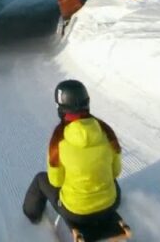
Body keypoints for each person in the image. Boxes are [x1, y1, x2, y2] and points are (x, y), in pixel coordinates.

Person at [23, 79, 122, 228]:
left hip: (76, 213)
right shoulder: (105, 131)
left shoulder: (59, 140)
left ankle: (32, 216)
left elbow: (56, 182)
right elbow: (116, 171)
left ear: (61, 108)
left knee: (40, 179)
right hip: (110, 205)